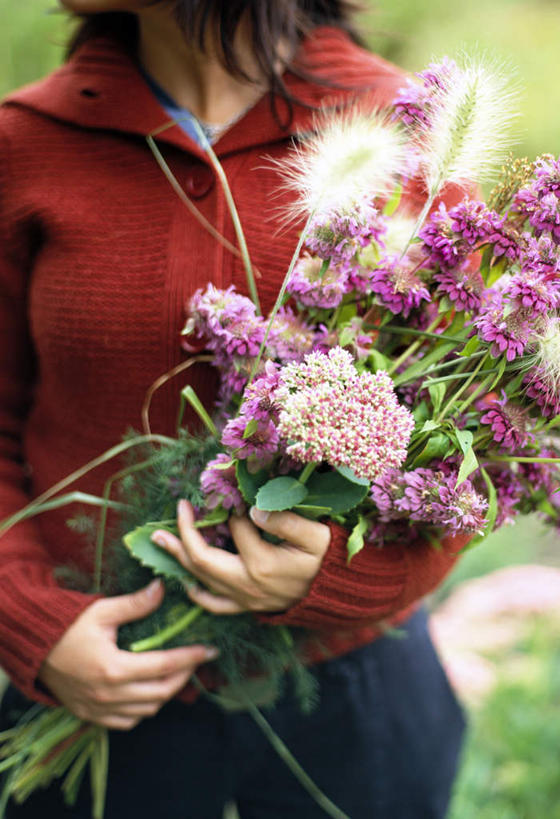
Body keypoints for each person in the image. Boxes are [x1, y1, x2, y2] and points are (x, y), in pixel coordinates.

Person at [0, 2, 466, 816]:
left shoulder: (411, 138)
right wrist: (29, 616)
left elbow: (481, 439)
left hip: (352, 714)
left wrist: (351, 575)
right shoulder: (26, 144)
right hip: (90, 699)